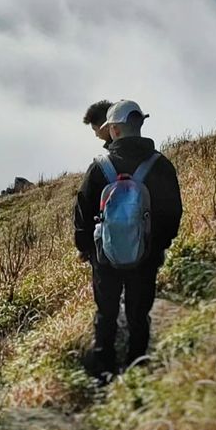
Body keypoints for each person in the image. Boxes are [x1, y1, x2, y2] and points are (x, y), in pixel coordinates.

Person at [74, 100, 182, 380]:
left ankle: (103, 370)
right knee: (138, 314)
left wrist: (86, 249)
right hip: (145, 256)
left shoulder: (100, 167)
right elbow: (172, 214)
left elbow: (83, 211)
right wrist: (157, 246)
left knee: (106, 313)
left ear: (115, 131)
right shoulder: (161, 165)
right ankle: (136, 368)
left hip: (105, 257)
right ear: (139, 125)